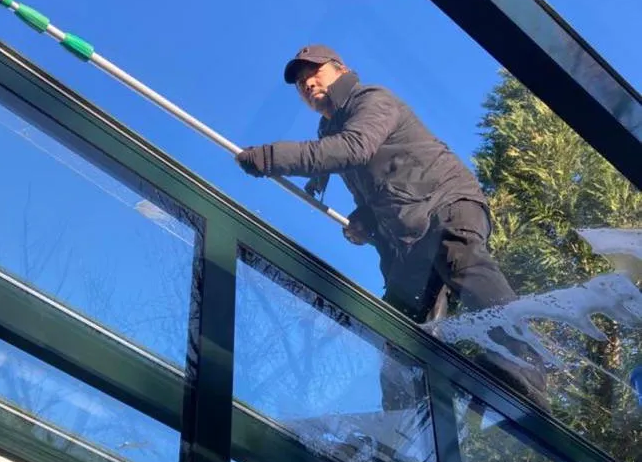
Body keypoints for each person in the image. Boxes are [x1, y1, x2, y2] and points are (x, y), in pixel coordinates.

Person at [235, 44, 548, 409]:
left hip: (445, 202)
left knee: (462, 261)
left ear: (340, 69)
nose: (307, 84)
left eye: (314, 73)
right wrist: (364, 219)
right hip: (411, 239)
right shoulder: (333, 129)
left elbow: (354, 148)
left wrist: (270, 157)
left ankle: (524, 370)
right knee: (399, 327)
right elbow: (379, 186)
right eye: (300, 82)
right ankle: (401, 425)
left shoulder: (370, 99)